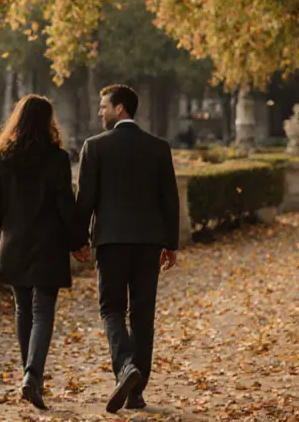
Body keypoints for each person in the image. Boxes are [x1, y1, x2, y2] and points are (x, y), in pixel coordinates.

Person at [74, 84, 180, 413]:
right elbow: (170, 199)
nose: (100, 112)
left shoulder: (94, 147)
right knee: (143, 314)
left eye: (104, 106)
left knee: (112, 310)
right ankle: (136, 392)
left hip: (111, 241)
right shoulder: (158, 147)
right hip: (149, 242)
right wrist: (170, 244)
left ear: (121, 108)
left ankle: (124, 368)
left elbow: (85, 200)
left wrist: (78, 239)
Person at [0, 95, 84, 411]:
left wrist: (9, 227)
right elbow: (66, 205)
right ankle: (32, 376)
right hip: (48, 245)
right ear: (48, 122)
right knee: (43, 311)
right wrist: (77, 241)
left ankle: (30, 377)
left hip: (15, 244)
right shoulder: (57, 159)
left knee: (23, 310)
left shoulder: (1, 158)